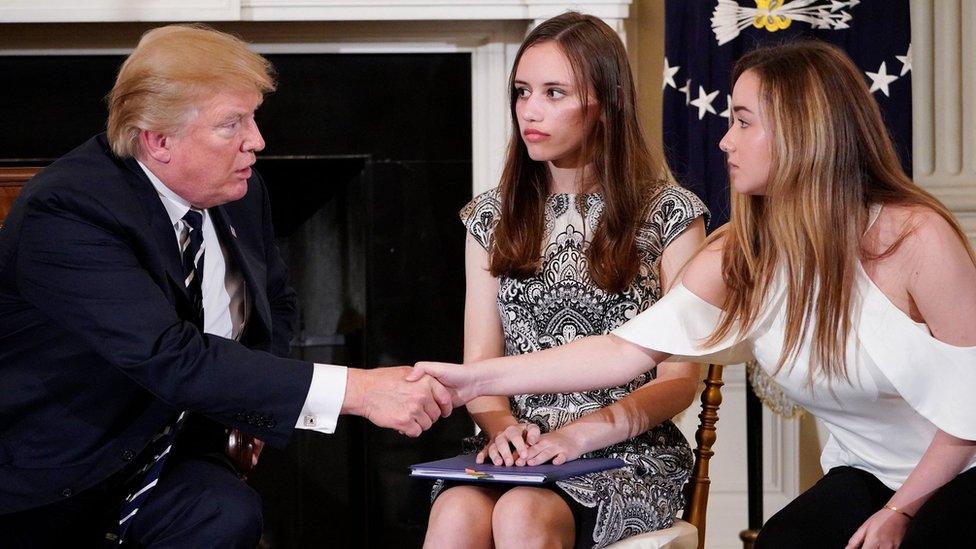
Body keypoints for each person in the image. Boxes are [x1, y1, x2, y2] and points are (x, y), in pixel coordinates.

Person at [413, 40, 976, 549]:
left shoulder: (916, 237)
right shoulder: (745, 251)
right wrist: (475, 380)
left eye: (743, 121)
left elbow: (972, 404)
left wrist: (902, 511)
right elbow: (625, 350)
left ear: (803, 132)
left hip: (962, 463)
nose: (725, 140)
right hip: (869, 473)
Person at [0, 24, 452, 547]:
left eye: (253, 118)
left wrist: (250, 412)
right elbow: (170, 356)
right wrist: (361, 390)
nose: (256, 141)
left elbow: (274, 304)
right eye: (231, 124)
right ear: (158, 140)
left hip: (172, 453)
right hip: (55, 470)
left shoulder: (238, 189)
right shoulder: (68, 212)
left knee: (227, 513)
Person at [422, 12, 707, 549]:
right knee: (456, 512)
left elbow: (679, 379)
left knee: (523, 514)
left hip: (626, 448)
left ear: (607, 102)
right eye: (523, 92)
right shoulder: (490, 218)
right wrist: (502, 428)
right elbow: (480, 370)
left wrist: (581, 433)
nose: (530, 110)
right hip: (519, 451)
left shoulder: (670, 214)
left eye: (555, 93)